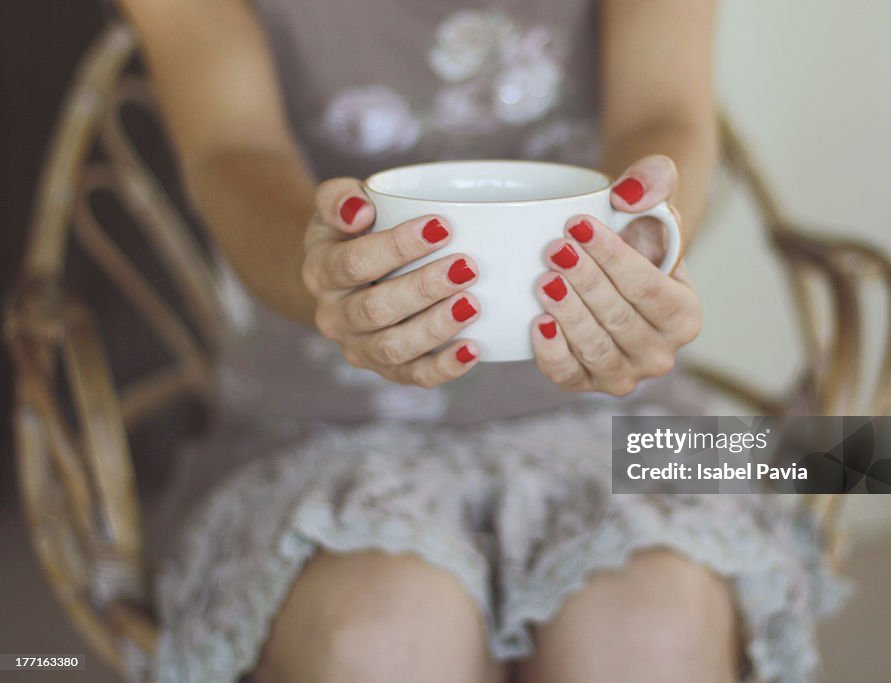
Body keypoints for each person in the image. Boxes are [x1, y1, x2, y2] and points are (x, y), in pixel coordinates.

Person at [119, 0, 847, 681]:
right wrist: (328, 274)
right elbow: (230, 149)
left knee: (652, 629)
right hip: (316, 424)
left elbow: (662, 112)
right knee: (381, 636)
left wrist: (644, 244)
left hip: (629, 419)